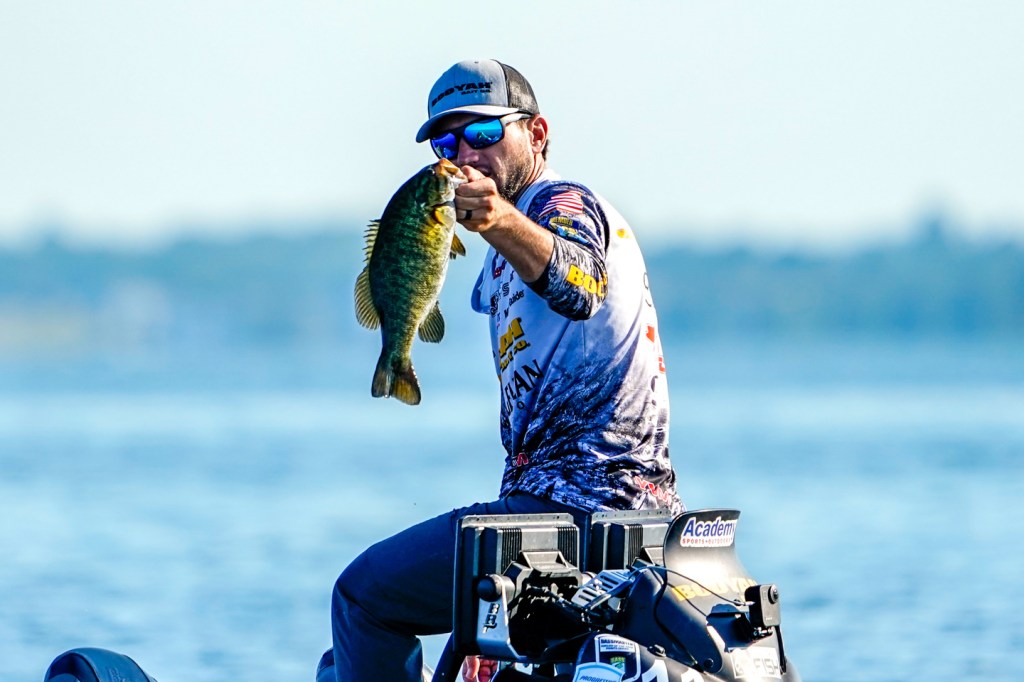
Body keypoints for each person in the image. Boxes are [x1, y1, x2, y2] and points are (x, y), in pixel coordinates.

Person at [326, 59, 682, 682]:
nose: (466, 153)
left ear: (537, 134)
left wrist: (499, 218)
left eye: (484, 133)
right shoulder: (500, 250)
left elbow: (581, 284)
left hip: (570, 511)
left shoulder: (564, 203)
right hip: (589, 515)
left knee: (362, 598)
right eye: (448, 143)